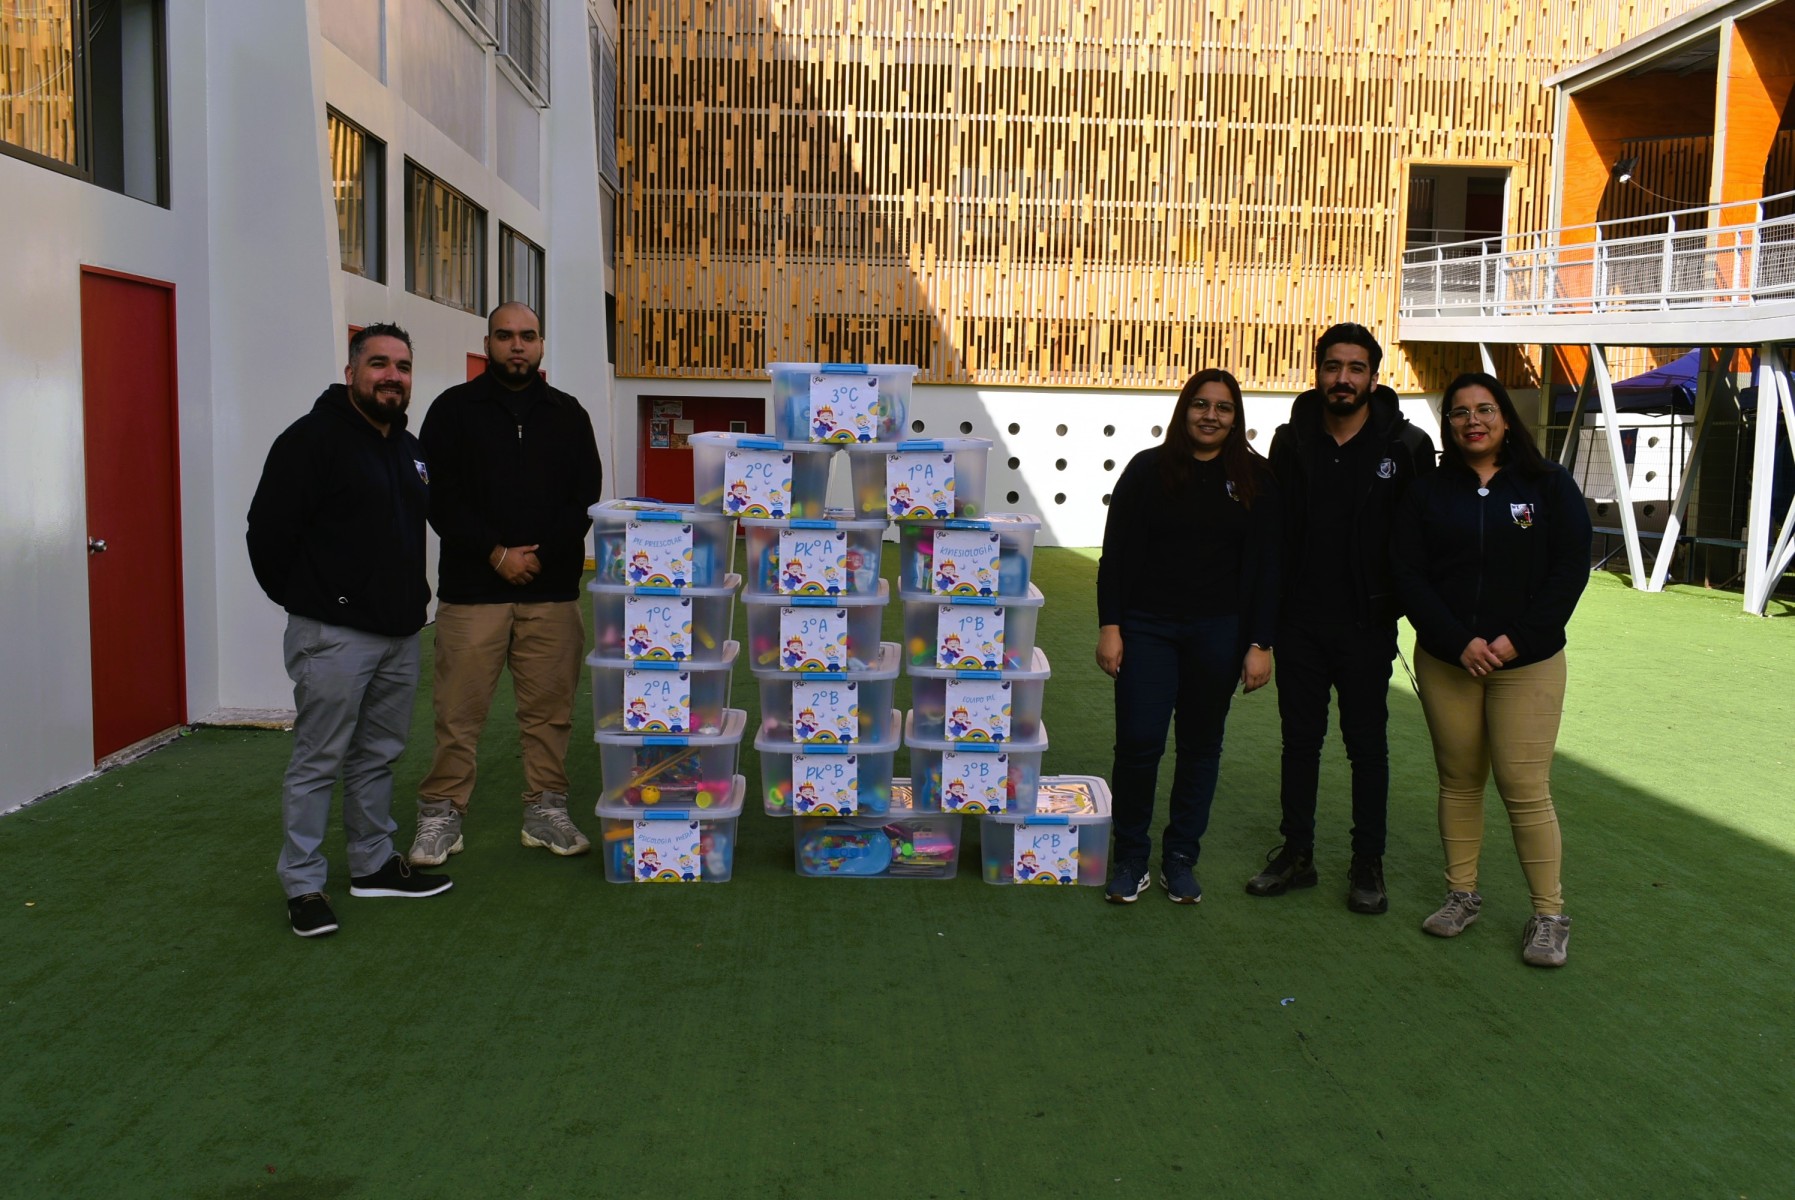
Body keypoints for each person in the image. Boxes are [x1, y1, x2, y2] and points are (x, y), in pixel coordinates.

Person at [248, 323, 452, 938]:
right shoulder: (310, 440)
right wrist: (317, 601)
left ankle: (372, 864)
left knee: (378, 756)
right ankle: (303, 885)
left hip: (400, 634)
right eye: (379, 364)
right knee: (319, 760)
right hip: (333, 636)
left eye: (403, 367)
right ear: (351, 373)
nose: (393, 376)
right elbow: (267, 534)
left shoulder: (409, 448)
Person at [1392, 372, 1592, 967]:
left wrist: (1516, 641)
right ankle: (1461, 895)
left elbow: (1569, 569)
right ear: (1448, 424)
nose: (1472, 421)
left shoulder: (1548, 484)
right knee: (1458, 780)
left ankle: (1549, 916)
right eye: (1459, 412)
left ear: (1505, 417)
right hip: (1449, 661)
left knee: (1524, 788)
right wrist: (1458, 641)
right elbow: (1408, 573)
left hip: (1527, 663)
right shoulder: (1428, 491)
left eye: (1484, 409)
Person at [1248, 323, 1436, 914]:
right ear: (1318, 373)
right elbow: (1274, 535)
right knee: (1300, 743)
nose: (1343, 378)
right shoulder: (1291, 441)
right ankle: (1297, 853)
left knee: (1367, 747)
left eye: (1356, 368)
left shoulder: (1406, 446)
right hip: (1299, 623)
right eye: (1333, 366)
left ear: (1374, 378)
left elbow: (1421, 539)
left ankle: (1367, 863)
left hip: (1366, 626)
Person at [407, 302, 604, 866]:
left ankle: (545, 811)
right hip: (473, 593)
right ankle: (442, 814)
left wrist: (536, 558)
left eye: (528, 336)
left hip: (550, 592)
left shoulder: (569, 414)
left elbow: (583, 496)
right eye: (505, 336)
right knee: (458, 714)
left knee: (550, 715)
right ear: (487, 343)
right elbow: (438, 496)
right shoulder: (452, 410)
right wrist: (495, 555)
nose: (517, 345)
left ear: (541, 344)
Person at [1097, 369, 1281, 904]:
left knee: (1200, 747)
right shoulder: (1147, 469)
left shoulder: (1257, 478)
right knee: (1139, 743)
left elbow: (1269, 567)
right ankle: (1131, 857)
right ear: (1184, 410)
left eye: (1223, 408)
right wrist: (1111, 626)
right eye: (1201, 404)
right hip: (1147, 627)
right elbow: (1116, 553)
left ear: (1236, 417)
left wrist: (1261, 643)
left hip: (1219, 632)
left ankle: (1180, 858)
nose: (1210, 416)